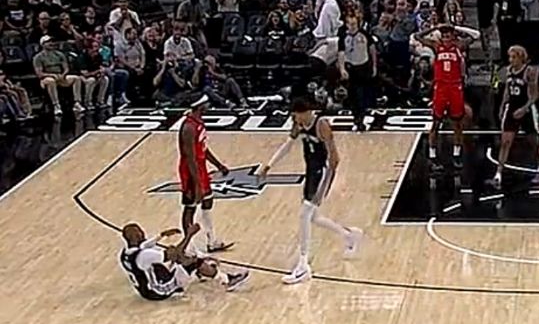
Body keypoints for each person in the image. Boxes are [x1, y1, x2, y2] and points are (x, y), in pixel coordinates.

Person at [259, 98, 363, 285]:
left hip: (323, 172)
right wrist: (269, 165)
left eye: (297, 115)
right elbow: (288, 144)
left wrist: (327, 181)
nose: (295, 119)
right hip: (311, 172)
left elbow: (335, 157)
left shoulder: (321, 124)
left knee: (304, 214)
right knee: (313, 217)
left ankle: (303, 265)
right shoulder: (298, 124)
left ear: (306, 112)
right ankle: (349, 235)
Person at [120, 222, 248, 301]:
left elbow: (144, 245)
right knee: (193, 261)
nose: (143, 233)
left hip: (145, 290)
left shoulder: (126, 253)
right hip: (159, 291)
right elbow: (176, 253)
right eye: (140, 232)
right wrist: (189, 235)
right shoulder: (144, 256)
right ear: (135, 236)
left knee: (179, 258)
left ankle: (201, 272)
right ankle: (226, 280)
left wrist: (161, 235)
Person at [414, 23, 478, 173]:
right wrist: (434, 27)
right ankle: (432, 155)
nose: (446, 37)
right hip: (441, 87)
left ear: (453, 35)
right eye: (443, 34)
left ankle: (457, 155)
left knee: (457, 123)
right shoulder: (436, 46)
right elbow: (417, 36)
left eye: (448, 34)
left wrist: (456, 27)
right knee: (436, 123)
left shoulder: (458, 46)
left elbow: (476, 35)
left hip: (455, 87)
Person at [178, 94, 233, 254]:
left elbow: (203, 148)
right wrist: (197, 184)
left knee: (208, 201)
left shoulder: (198, 122)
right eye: (206, 103)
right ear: (200, 106)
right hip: (190, 170)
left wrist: (218, 165)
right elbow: (190, 157)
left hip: (200, 167)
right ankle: (189, 247)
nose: (209, 105)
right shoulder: (188, 127)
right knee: (190, 208)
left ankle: (212, 241)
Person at [493, 45, 539, 188]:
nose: (510, 60)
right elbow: (507, 90)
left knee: (533, 142)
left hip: (526, 108)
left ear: (521, 57)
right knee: (505, 142)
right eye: (510, 57)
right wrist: (502, 106)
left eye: (513, 57)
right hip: (512, 108)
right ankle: (498, 173)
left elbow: (535, 95)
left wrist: (524, 109)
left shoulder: (528, 71)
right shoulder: (509, 71)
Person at [337, 13, 378, 132]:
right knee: (353, 94)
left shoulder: (364, 34)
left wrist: (374, 66)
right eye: (350, 24)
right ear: (346, 24)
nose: (352, 26)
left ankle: (362, 116)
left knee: (362, 93)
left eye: (354, 24)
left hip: (363, 67)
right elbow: (341, 53)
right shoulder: (343, 37)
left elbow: (372, 49)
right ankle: (356, 117)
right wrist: (342, 68)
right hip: (351, 68)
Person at [32, 35, 85, 116]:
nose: (51, 43)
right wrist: (52, 75)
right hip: (46, 78)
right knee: (51, 81)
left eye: (51, 42)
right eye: (48, 42)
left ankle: (77, 103)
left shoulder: (59, 54)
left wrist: (63, 75)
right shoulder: (38, 57)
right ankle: (56, 105)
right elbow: (39, 74)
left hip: (60, 76)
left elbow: (66, 68)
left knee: (76, 78)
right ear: (42, 44)